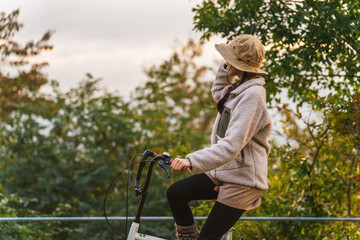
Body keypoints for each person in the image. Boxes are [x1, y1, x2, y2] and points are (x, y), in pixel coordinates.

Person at [167, 34, 272, 240]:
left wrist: (191, 160)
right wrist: (226, 69)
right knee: (175, 193)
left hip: (243, 180)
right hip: (225, 172)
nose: (225, 62)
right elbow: (218, 94)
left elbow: (232, 146)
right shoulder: (239, 89)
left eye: (229, 59)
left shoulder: (252, 96)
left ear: (239, 65)